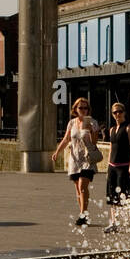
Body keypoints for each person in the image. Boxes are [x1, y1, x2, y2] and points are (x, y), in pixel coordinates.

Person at [52, 97, 101, 226]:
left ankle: (83, 214)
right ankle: (82, 213)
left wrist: (91, 130)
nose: (83, 110)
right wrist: (57, 152)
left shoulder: (93, 122)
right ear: (75, 109)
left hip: (87, 159)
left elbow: (94, 142)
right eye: (81, 108)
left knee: (82, 186)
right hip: (75, 159)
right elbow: (66, 139)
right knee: (78, 189)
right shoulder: (72, 123)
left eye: (85, 108)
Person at [104, 102, 130, 232]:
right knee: (112, 196)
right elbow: (111, 149)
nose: (117, 114)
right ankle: (114, 223)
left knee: (126, 195)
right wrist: (108, 167)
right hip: (112, 166)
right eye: (115, 112)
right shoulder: (112, 129)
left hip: (123, 167)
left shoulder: (129, 128)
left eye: (120, 111)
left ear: (124, 112)